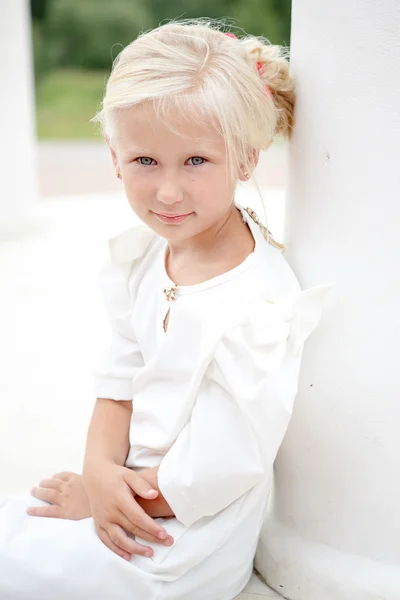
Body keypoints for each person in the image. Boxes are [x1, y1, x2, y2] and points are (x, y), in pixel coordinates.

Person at [0, 19, 333, 600]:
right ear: (114, 156)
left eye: (197, 161)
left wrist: (106, 498)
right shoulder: (144, 258)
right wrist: (99, 473)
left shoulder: (258, 306)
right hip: (121, 494)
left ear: (247, 159)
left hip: (174, 538)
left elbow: (219, 464)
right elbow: (118, 381)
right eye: (145, 162)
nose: (168, 192)